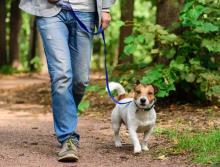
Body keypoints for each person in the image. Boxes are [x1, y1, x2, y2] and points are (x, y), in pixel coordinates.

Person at [19, 0, 115, 162]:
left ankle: (66, 115)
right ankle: (68, 138)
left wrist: (105, 7)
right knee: (61, 75)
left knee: (80, 81)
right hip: (50, 10)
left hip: (85, 11)